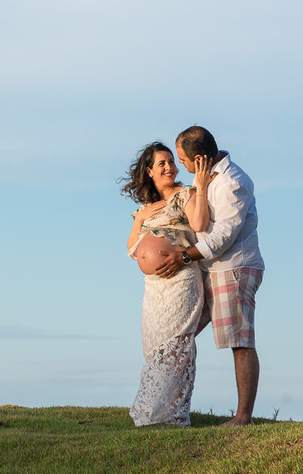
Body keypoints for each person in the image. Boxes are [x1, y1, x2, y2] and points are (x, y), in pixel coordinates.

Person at [154, 126, 264, 426]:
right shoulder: (204, 177)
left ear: (199, 158)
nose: (180, 166)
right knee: (181, 332)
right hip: (208, 270)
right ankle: (167, 408)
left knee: (239, 341)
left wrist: (184, 255)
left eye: (182, 159)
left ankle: (243, 417)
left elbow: (222, 237)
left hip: (234, 269)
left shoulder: (233, 182)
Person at [120, 141, 211, 426]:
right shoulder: (145, 209)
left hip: (181, 279)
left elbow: (198, 224)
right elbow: (131, 248)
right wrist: (142, 220)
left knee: (177, 343)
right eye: (162, 163)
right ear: (149, 171)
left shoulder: (185, 194)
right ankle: (157, 410)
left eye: (171, 162)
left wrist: (202, 186)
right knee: (155, 345)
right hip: (154, 288)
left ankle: (171, 412)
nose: (169, 167)